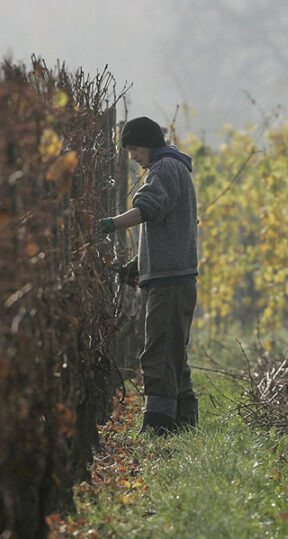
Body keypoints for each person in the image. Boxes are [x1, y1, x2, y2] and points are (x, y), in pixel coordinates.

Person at [100, 116, 199, 436]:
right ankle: (184, 422)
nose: (132, 156)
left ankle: (158, 426)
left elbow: (148, 208)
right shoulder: (176, 168)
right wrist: (140, 263)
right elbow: (169, 229)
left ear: (149, 144)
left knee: (157, 351)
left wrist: (109, 224)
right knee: (172, 354)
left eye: (134, 148)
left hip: (170, 282)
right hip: (173, 277)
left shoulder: (165, 168)